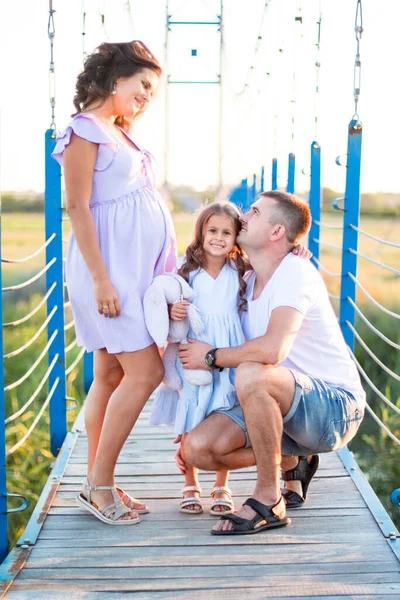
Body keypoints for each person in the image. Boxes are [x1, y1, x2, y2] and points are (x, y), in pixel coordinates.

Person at [176, 190, 366, 535]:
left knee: (252, 371)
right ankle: (295, 457)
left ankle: (269, 498)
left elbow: (273, 350)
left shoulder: (295, 272)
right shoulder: (244, 279)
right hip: (280, 402)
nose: (242, 217)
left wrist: (211, 357)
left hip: (333, 407)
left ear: (277, 232)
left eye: (254, 212)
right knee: (198, 449)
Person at [52, 40, 177, 525]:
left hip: (132, 273)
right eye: (143, 84)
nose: (147, 95)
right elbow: (79, 207)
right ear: (116, 78)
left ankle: (96, 481)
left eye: (153, 90)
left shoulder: (120, 132)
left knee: (109, 375)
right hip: (107, 273)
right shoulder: (86, 129)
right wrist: (103, 280)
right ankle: (98, 483)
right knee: (144, 373)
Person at [150, 202, 248, 516]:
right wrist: (172, 311)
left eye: (227, 232)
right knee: (191, 409)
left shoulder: (243, 269)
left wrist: (297, 251)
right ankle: (189, 481)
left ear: (236, 237)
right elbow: (167, 301)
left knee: (223, 408)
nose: (219, 238)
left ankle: (222, 483)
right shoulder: (186, 269)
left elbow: (278, 260)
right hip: (192, 349)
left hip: (226, 350)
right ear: (201, 232)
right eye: (212, 231)